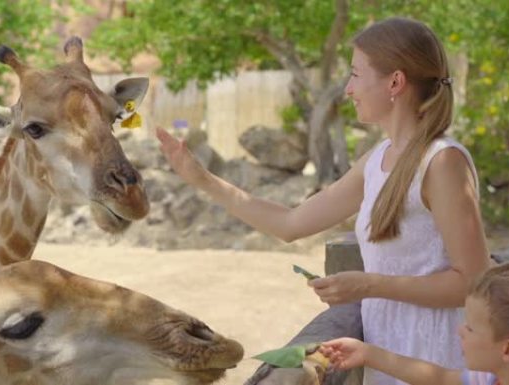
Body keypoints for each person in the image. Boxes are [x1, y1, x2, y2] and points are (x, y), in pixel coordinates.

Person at [156, 17, 490, 385]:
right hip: (390, 365)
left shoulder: (442, 162)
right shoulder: (377, 161)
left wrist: (369, 285)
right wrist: (201, 178)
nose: (348, 89)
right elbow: (290, 224)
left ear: (395, 82)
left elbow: (473, 281)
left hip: (439, 361)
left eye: (356, 74)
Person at [319, 261, 509, 385]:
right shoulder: (494, 377)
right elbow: (439, 378)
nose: (461, 330)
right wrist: (367, 353)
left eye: (470, 327)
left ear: (508, 350)